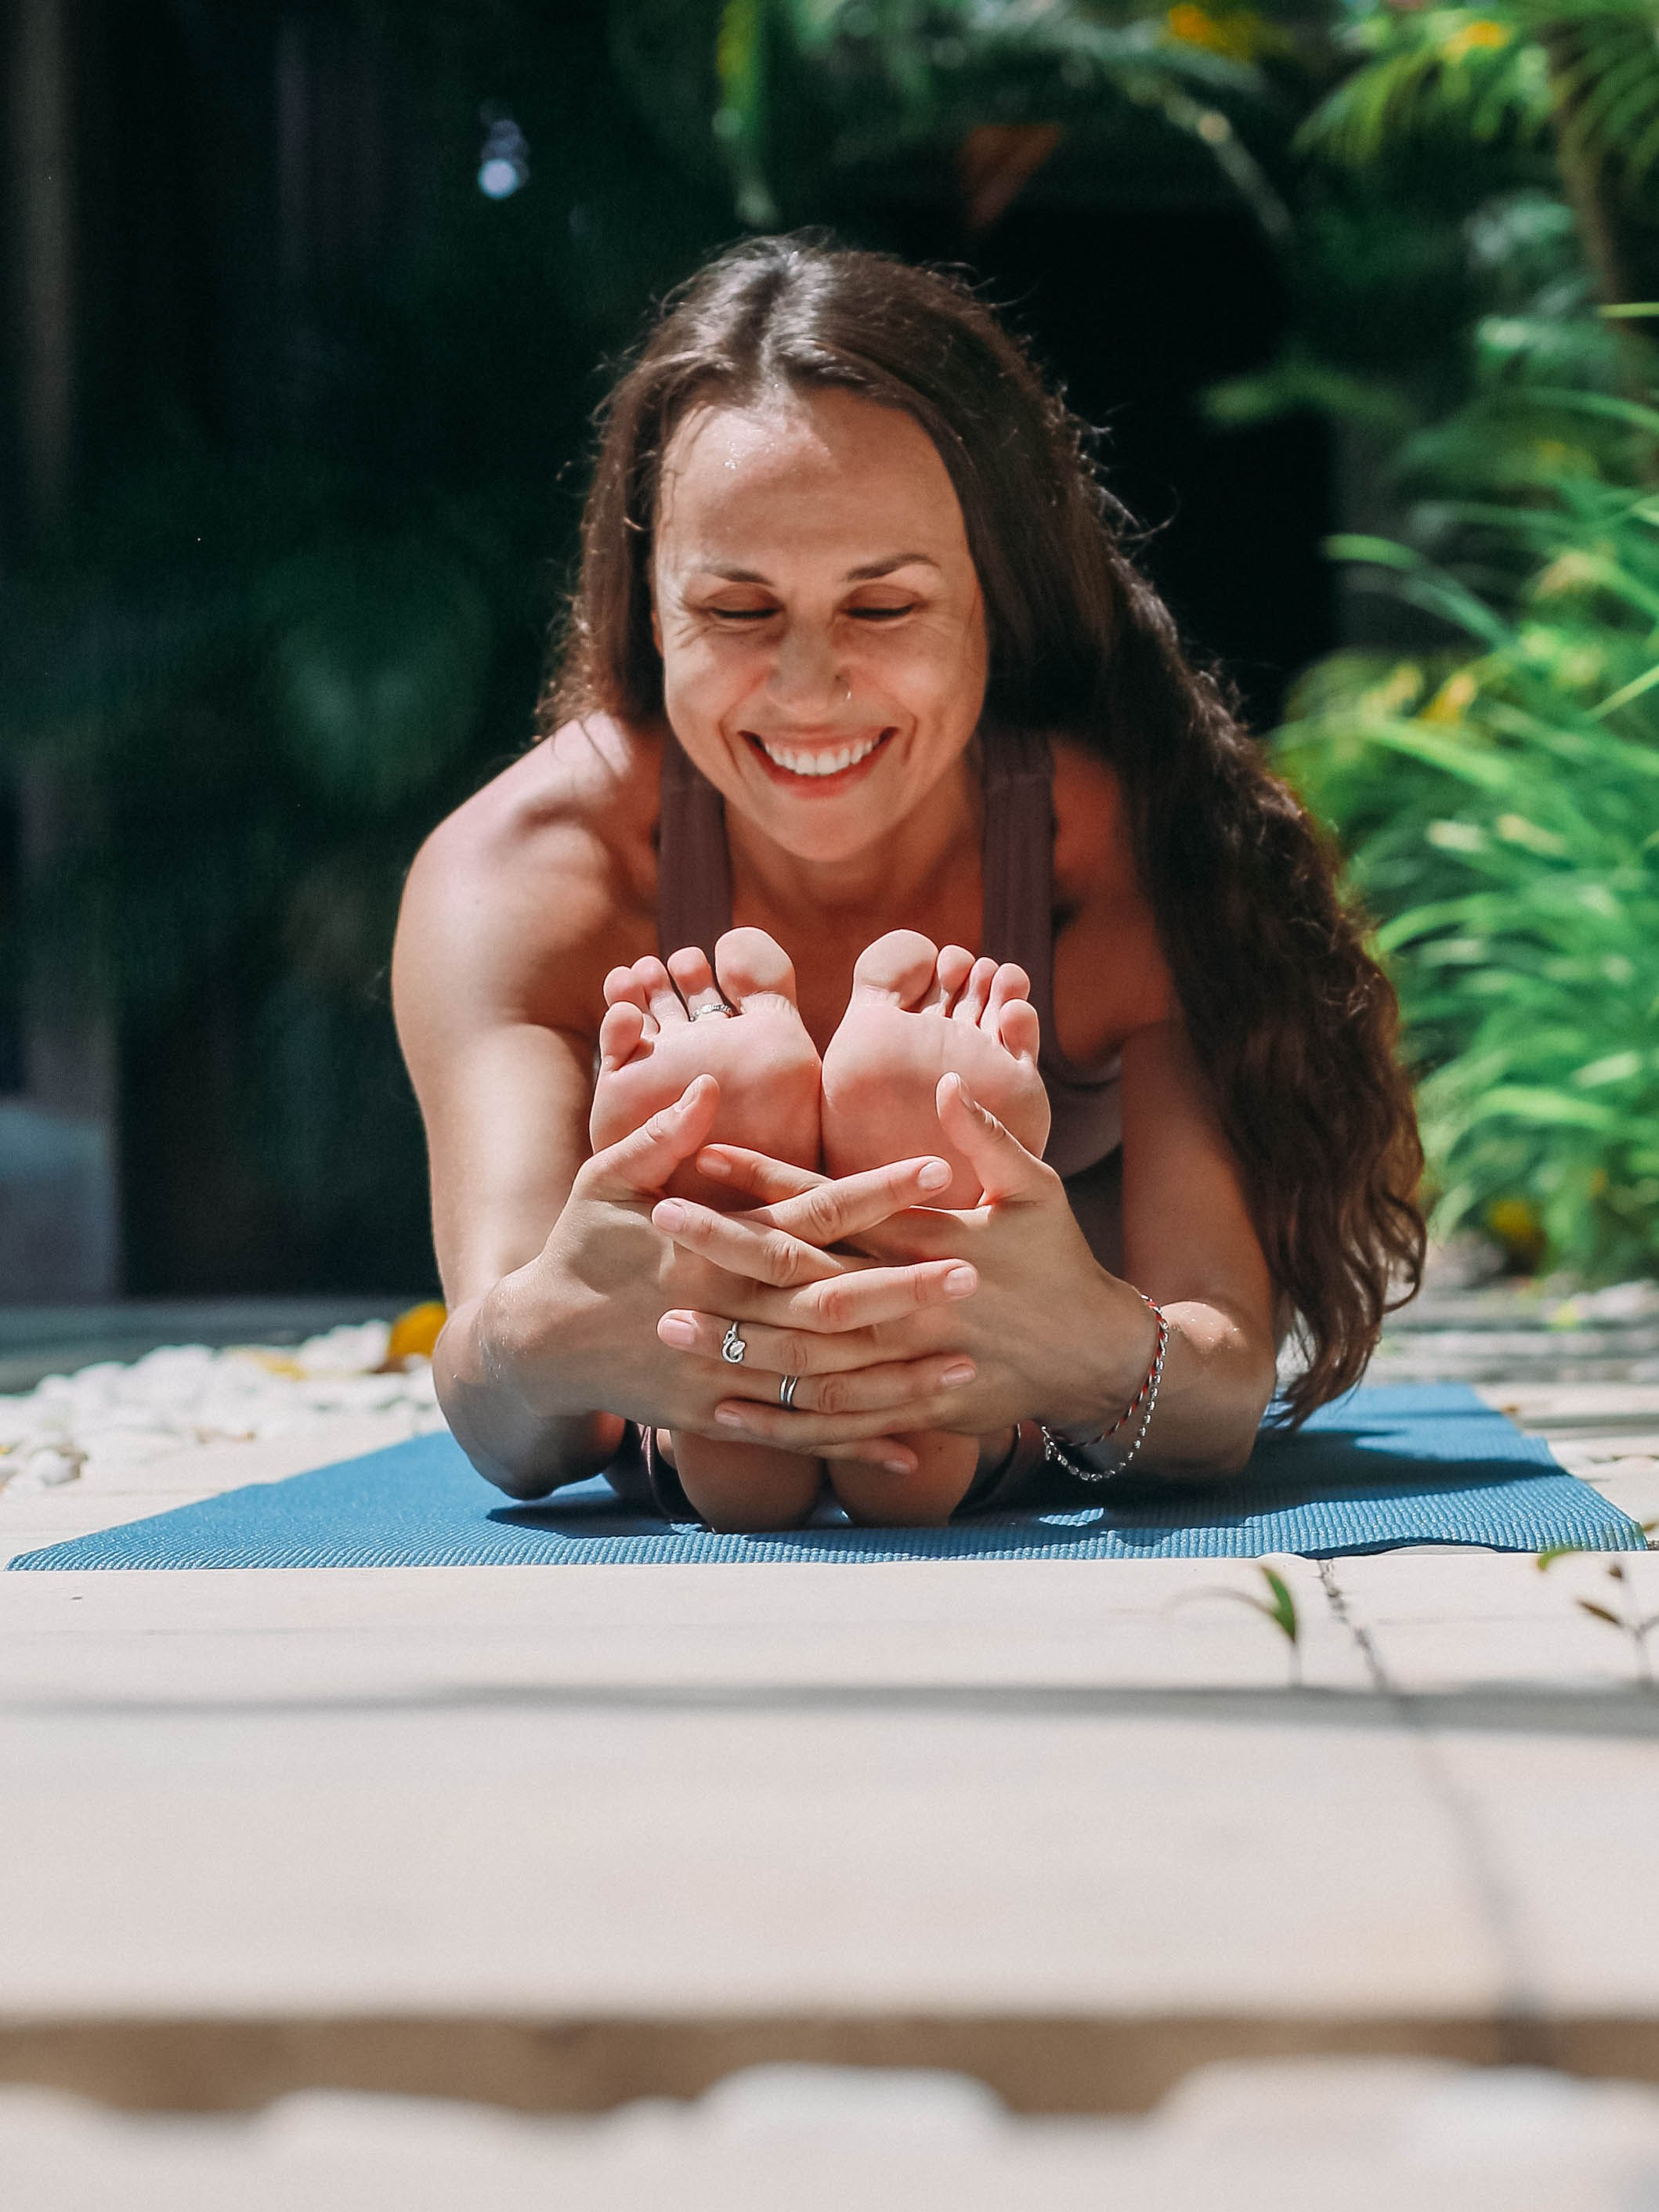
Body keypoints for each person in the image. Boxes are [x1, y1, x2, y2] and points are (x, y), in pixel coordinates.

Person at [392, 235, 1424, 1532]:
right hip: (707, 1366)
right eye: (735, 610)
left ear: (997, 600)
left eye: (882, 610)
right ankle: (748, 1391)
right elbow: (502, 1416)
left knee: (1013, 1311)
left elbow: (1213, 1383)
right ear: (650, 613)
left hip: (1013, 1377)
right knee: (621, 1328)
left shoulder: (1138, 858)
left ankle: (895, 1397)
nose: (809, 686)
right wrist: (543, 1338)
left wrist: (1096, 1341)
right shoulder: (526, 876)